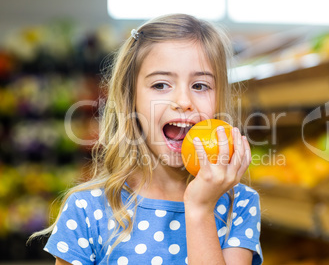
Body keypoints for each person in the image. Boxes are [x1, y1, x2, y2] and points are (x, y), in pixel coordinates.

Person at [29, 13, 263, 265]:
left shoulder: (238, 203)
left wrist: (200, 209)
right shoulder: (87, 208)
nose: (183, 102)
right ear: (130, 99)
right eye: (161, 85)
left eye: (200, 86)